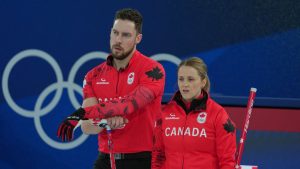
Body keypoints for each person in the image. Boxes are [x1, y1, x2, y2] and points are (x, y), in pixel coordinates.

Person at [57, 8, 165, 169]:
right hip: (107, 158)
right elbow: (87, 127)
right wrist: (106, 122)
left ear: (138, 38)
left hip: (145, 159)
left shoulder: (153, 70)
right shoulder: (93, 76)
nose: (118, 40)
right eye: (115, 33)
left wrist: (82, 113)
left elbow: (130, 104)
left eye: (126, 35)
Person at [152, 57, 236, 169]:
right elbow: (158, 156)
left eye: (190, 79)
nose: (184, 84)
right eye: (181, 79)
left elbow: (227, 161)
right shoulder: (165, 112)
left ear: (203, 82)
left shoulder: (218, 114)